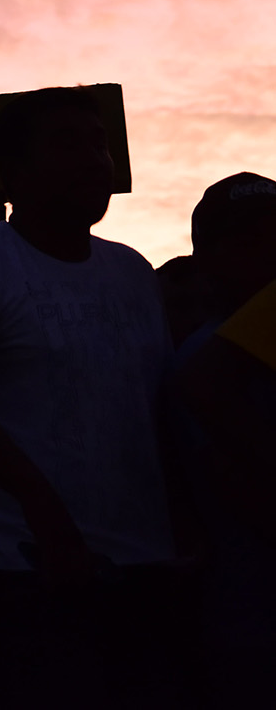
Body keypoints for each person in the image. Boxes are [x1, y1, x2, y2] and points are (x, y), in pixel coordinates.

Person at [0, 88, 181, 708]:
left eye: (99, 144)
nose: (94, 160)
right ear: (13, 173)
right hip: (26, 577)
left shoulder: (132, 271)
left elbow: (154, 407)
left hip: (144, 571)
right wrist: (40, 504)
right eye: (68, 142)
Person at [167, 173, 276, 707]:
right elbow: (229, 480)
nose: (269, 251)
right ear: (206, 257)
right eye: (248, 240)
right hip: (250, 627)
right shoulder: (203, 358)